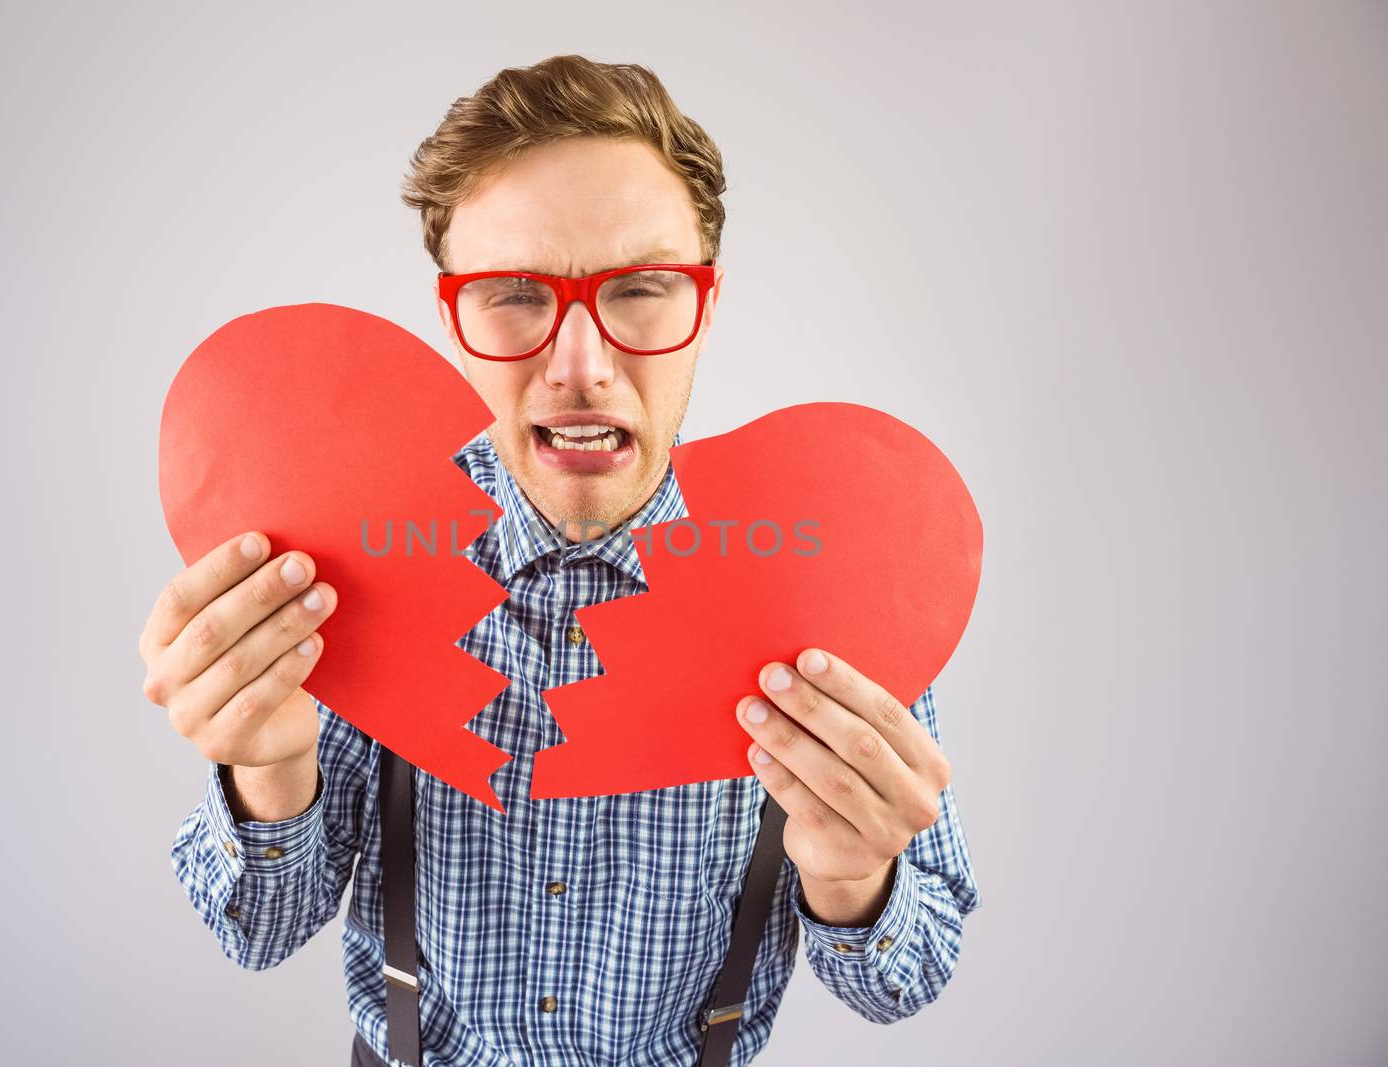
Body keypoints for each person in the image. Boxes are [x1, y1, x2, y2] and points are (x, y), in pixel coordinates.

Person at [140, 54, 982, 1066]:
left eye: (639, 289)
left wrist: (852, 880)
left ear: (703, 311)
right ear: (452, 315)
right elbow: (256, 929)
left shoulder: (827, 582)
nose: (579, 367)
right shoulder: (348, 560)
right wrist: (269, 771)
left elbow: (907, 977)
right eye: (512, 296)